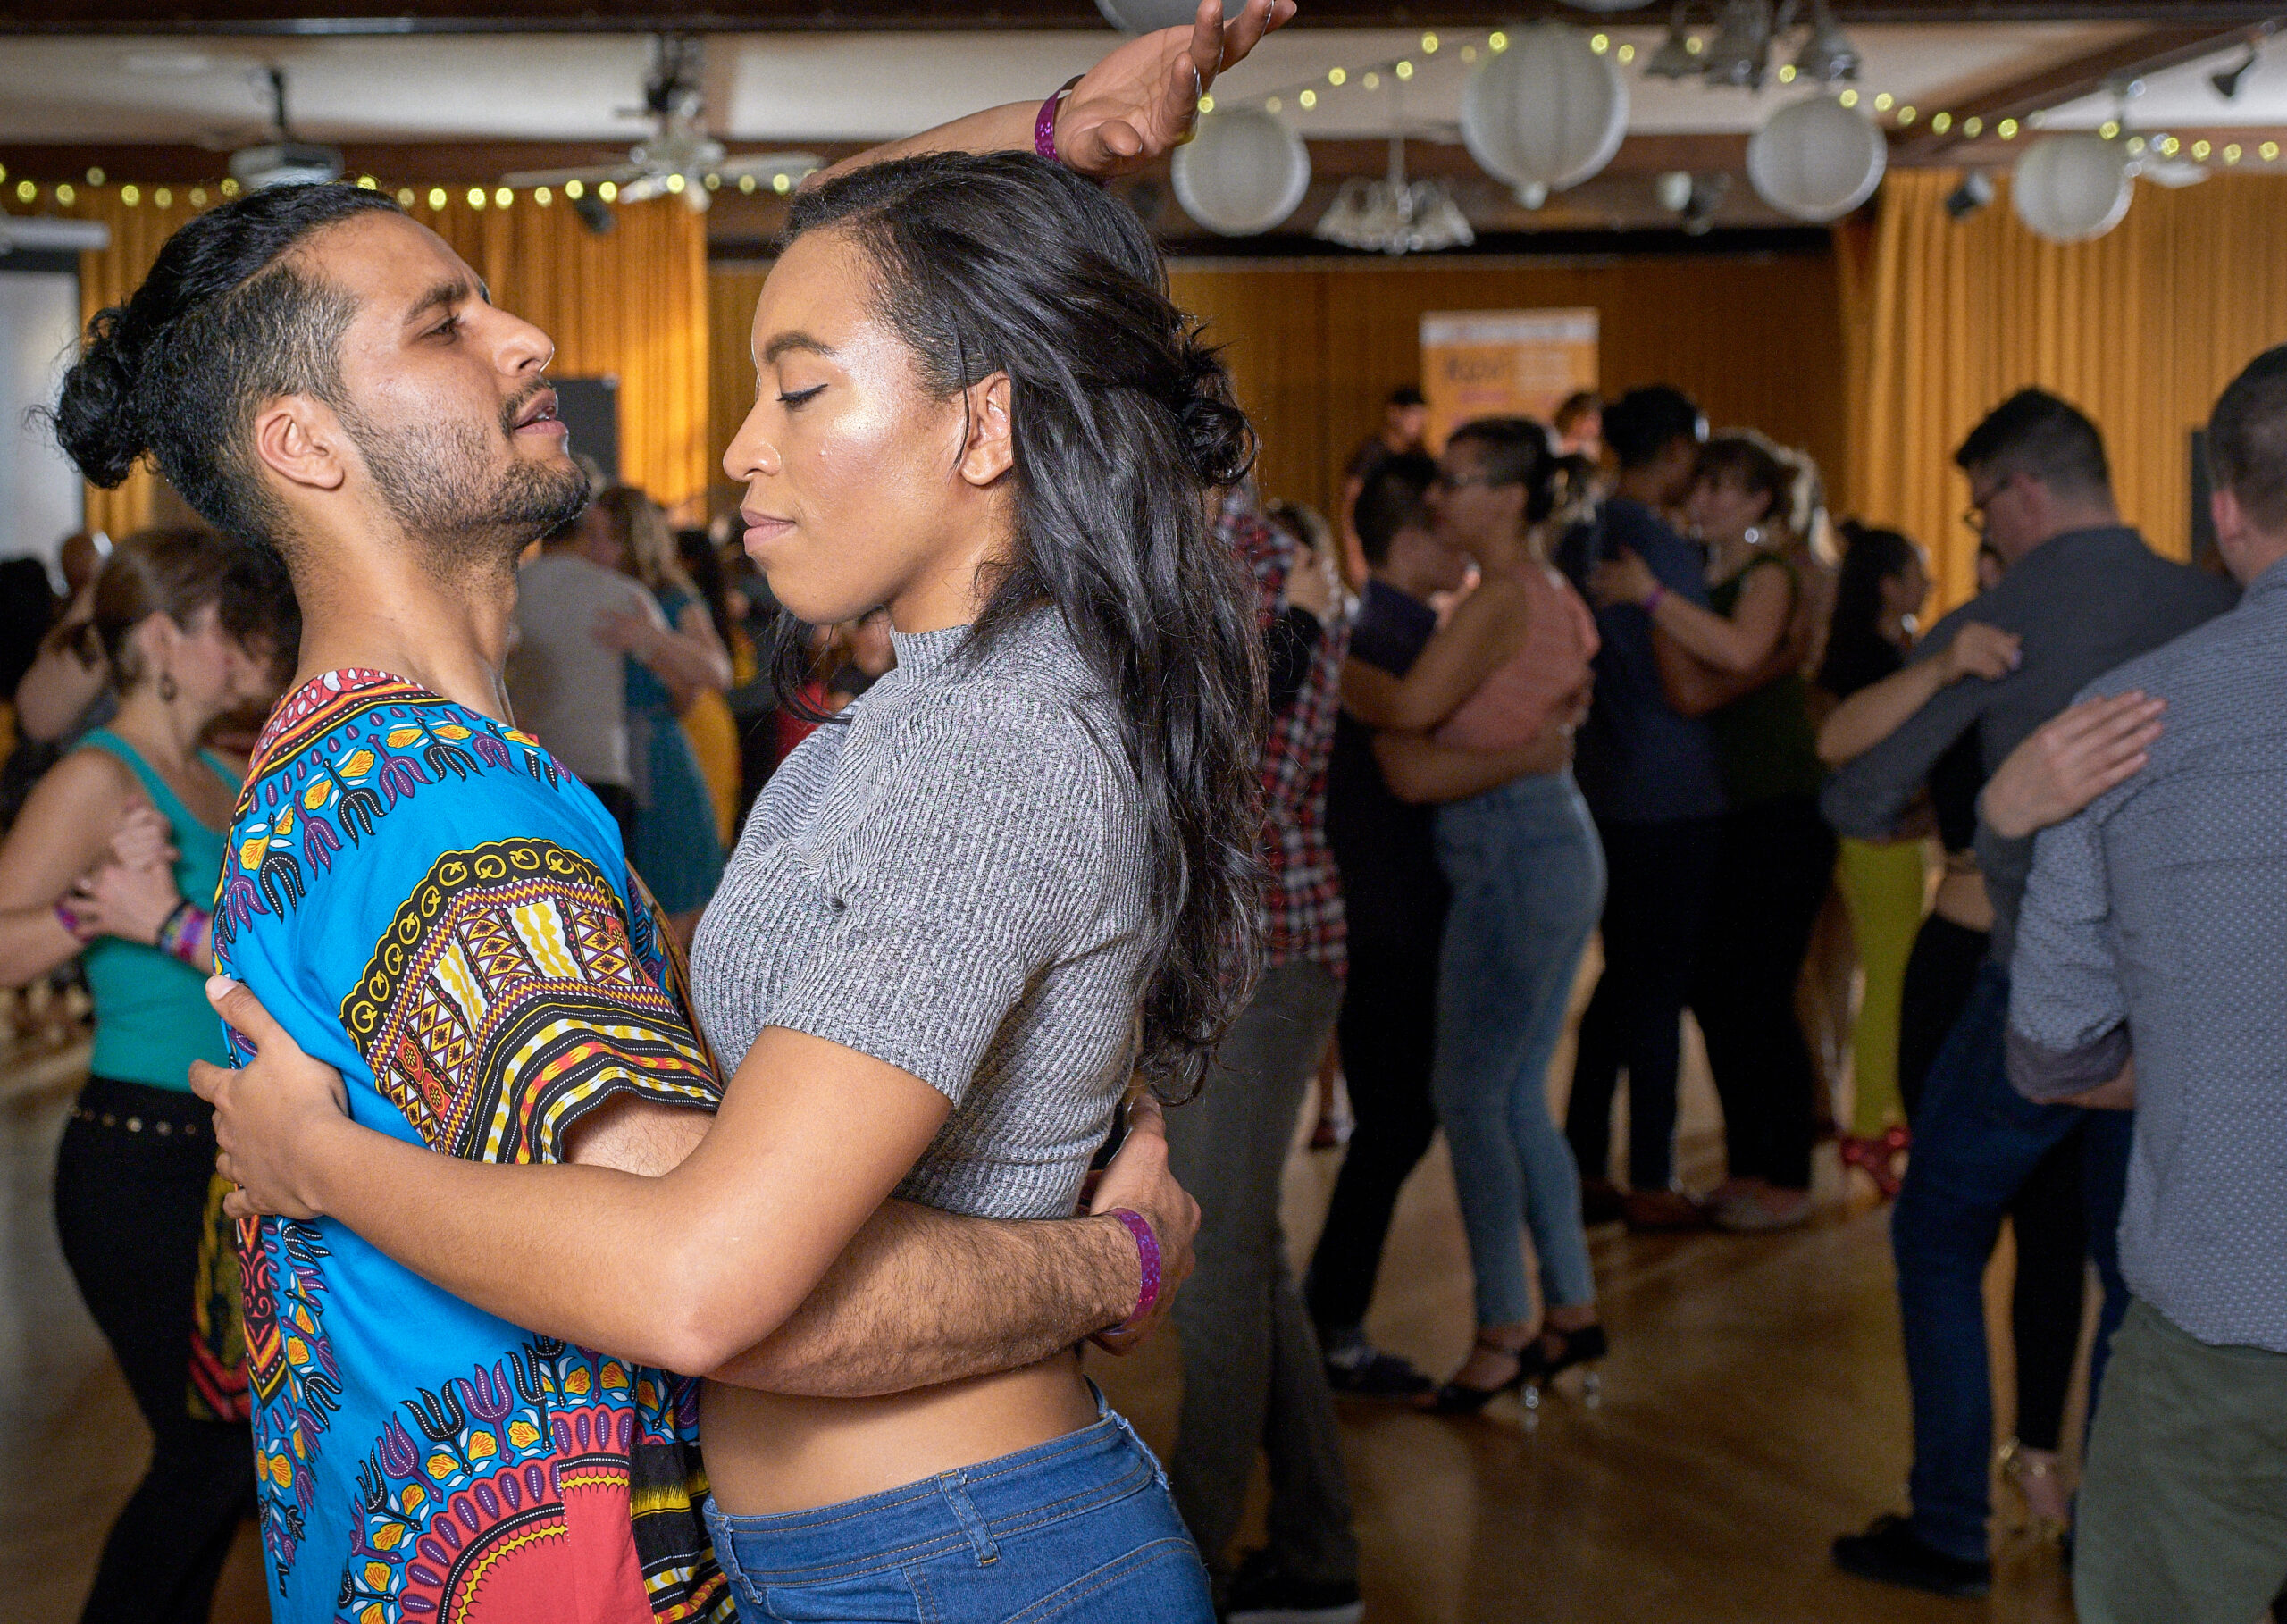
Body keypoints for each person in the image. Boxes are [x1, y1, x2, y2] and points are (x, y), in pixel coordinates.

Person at [56, 10, 1288, 1612]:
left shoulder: (387, 769)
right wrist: (1110, 1257)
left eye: (799, 390)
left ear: (982, 421)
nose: (526, 339)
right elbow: (715, 1268)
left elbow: (712, 1272)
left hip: (942, 1546)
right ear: (303, 444)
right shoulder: (450, 803)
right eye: (444, 323)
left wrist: (1051, 137)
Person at [1823, 389, 2239, 1597]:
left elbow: (1855, 793)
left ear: (2018, 492)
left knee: (1938, 1234)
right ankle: (2104, 1520)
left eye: (1979, 507)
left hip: (2027, 983)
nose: (1982, 526)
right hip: (2172, 1002)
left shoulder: (2003, 617)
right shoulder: (2212, 604)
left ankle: (1951, 1521)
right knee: (2124, 1260)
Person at [2004, 346, 2287, 1624]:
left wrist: (2198, 1063)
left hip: (2224, 1311)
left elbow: (2052, 1055)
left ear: (2224, 512)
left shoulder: (2119, 725)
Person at [0, 529, 297, 1624]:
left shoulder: (219, 771)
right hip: (137, 1157)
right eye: (233, 625)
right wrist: (97, 912)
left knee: (234, 1453)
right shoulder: (98, 776)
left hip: (221, 1150)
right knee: (207, 1453)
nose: (254, 647)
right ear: (166, 638)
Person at [1819, 541, 2096, 1543]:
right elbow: (1841, 746)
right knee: (1962, 1231)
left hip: (2047, 966)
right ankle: (1974, 1492)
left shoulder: (2091, 666)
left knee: (2045, 1232)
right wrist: (1939, 667)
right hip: (1965, 959)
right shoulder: (1963, 666)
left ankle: (2022, 1470)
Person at [1342, 417, 1607, 1408]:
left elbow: (1410, 720)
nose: (1437, 498)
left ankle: (1505, 1327)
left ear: (1507, 497)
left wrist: (1327, 657)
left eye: (1455, 481)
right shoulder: (1543, 590)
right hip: (1542, 844)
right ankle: (1570, 1307)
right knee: (1515, 1093)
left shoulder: (1502, 596)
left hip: (1512, 856)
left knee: (1470, 1095)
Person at [1160, 479, 1361, 1624]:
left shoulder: (1261, 573)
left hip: (1260, 957)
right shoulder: (1203, 564)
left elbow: (1235, 794)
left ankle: (1189, 1566)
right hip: (1228, 959)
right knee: (1251, 1258)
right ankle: (1319, 1552)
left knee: (1216, 1264)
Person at [1593, 433, 1835, 1233]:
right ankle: (1749, 1163)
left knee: (1761, 992)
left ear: (1761, 500)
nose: (1705, 501)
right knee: (1719, 992)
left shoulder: (1766, 575)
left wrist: (1651, 596)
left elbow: (1737, 650)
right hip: (1731, 810)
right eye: (1702, 485)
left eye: (1725, 488)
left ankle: (1789, 1175)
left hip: (1782, 806)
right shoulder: (1705, 574)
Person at [1554, 385, 1722, 1231]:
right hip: (1673, 790)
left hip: (1603, 780)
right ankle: (1653, 1174)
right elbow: (1690, 682)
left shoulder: (1578, 535)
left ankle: (1585, 1162)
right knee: (1655, 989)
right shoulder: (1656, 543)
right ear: (1677, 450)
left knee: (1622, 982)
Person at [1814, 523, 1931, 1194]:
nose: (1929, 583)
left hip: (1864, 833)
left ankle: (1877, 1120)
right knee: (1890, 979)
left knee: (1885, 976)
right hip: (1883, 835)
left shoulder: (1859, 653)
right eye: (1917, 571)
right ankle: (1871, 1126)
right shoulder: (1883, 664)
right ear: (1889, 587)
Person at [591, 484, 733, 935]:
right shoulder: (588, 589)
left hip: (659, 754)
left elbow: (718, 671)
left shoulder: (669, 594)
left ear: (631, 538)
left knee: (676, 900)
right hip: (607, 757)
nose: (592, 547)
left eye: (604, 537)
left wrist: (649, 639)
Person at [505, 498, 653, 850]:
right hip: (604, 761)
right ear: (584, 532)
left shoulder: (508, 591)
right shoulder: (622, 592)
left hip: (533, 764)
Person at [1336, 386, 1429, 585]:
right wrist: (1355, 557)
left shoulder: (1419, 455)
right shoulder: (1371, 455)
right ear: (1394, 413)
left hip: (1411, 552)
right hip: (1377, 553)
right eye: (1412, 416)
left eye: (1421, 418)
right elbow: (1350, 506)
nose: (1417, 424)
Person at [1554, 390, 1602, 461]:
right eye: (1588, 419)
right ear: (1570, 416)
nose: (1593, 426)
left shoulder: (1590, 448)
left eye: (1597, 421)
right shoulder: (1552, 441)